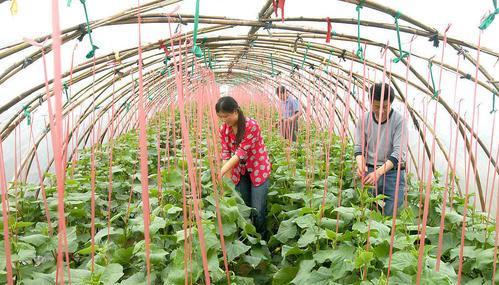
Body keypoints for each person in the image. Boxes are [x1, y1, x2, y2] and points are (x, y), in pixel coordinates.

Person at [216, 96, 271, 236]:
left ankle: (261, 239)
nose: (224, 120)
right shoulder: (224, 130)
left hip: (258, 170)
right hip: (239, 171)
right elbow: (225, 153)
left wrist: (221, 171)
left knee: (258, 209)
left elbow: (240, 152)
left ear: (235, 111)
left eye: (226, 116)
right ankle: (248, 239)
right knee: (244, 208)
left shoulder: (251, 125)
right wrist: (227, 181)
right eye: (220, 117)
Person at [354, 83, 408, 216]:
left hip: (392, 174)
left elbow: (398, 153)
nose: (381, 111)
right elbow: (359, 148)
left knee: (391, 216)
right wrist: (361, 165)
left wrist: (378, 173)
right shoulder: (364, 119)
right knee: (366, 213)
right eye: (376, 106)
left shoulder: (399, 121)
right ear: (370, 102)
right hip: (370, 171)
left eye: (385, 106)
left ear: (391, 103)